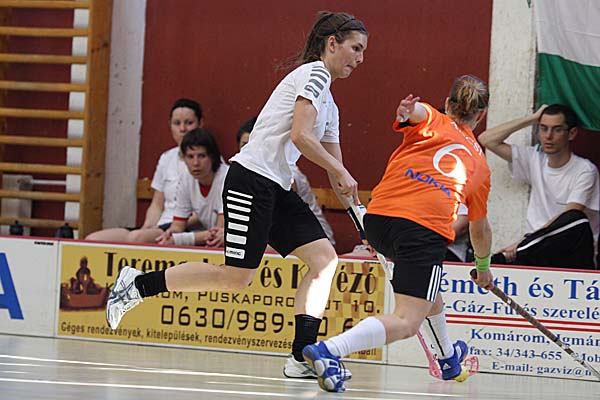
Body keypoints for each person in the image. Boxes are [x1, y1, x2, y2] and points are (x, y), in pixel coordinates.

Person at [106, 11, 368, 379]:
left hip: (277, 186)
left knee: (324, 260)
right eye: (356, 48)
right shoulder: (315, 74)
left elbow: (336, 171)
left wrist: (364, 223)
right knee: (237, 277)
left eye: (363, 51)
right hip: (251, 180)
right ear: (332, 44)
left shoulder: (330, 104)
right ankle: (137, 285)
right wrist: (341, 171)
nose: (360, 58)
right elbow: (301, 136)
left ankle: (301, 356)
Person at [302, 75, 495, 392]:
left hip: (377, 222)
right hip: (420, 229)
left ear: (447, 103)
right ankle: (329, 351)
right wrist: (483, 268)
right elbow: (480, 229)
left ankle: (447, 358)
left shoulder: (432, 118)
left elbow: (417, 112)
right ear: (481, 115)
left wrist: (406, 111)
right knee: (406, 321)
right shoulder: (481, 166)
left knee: (424, 289)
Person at [478, 104, 599, 269]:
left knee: (574, 217)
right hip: (535, 249)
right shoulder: (534, 159)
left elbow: (571, 214)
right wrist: (532, 119)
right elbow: (486, 139)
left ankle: (509, 256)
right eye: (543, 128)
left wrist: (524, 242)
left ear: (571, 133)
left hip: (570, 252)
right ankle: (510, 256)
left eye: (557, 130)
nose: (548, 136)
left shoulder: (585, 170)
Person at [86, 99, 203, 243]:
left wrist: (175, 226)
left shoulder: (206, 161)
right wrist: (147, 227)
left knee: (136, 238)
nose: (182, 129)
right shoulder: (167, 157)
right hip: (160, 225)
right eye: (177, 123)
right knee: (94, 239)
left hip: (184, 229)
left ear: (200, 124)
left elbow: (205, 211)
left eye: (189, 123)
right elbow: (157, 204)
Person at [236, 116, 336, 246]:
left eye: (253, 144)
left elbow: (275, 215)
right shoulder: (241, 171)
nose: (249, 149)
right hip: (277, 233)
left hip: (317, 238)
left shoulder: (287, 171)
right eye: (244, 145)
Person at [155, 128, 228, 247]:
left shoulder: (227, 178)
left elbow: (219, 232)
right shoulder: (186, 178)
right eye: (190, 156)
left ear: (213, 157)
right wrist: (169, 235)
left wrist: (178, 240)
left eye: (201, 156)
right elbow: (178, 226)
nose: (195, 163)